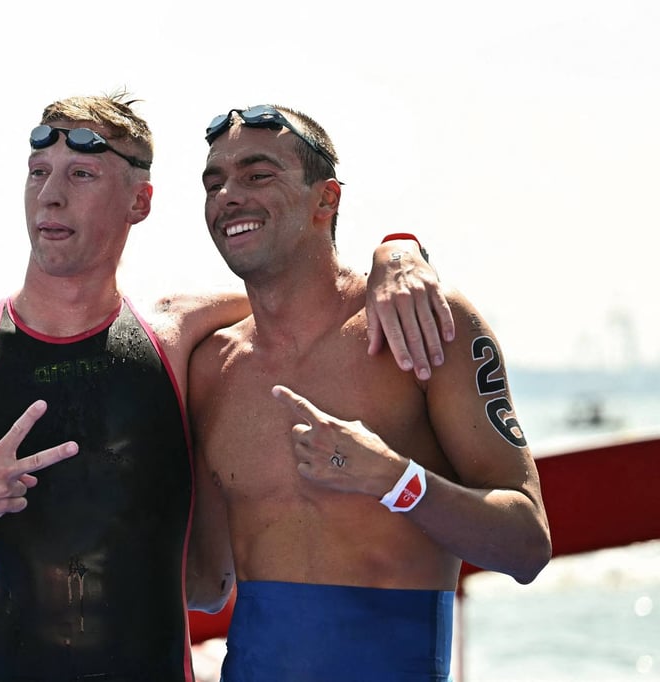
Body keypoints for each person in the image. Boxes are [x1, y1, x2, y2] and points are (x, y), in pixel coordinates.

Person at [0, 93, 449, 681]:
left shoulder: (179, 333)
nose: (50, 196)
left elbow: (309, 292)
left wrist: (398, 251)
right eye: (38, 172)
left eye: (81, 175)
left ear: (139, 202)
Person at [183, 105, 552, 680]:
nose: (228, 195)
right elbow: (205, 586)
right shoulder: (212, 367)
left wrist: (394, 481)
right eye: (215, 182)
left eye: (257, 175)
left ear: (325, 200)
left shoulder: (426, 326)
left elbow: (527, 544)